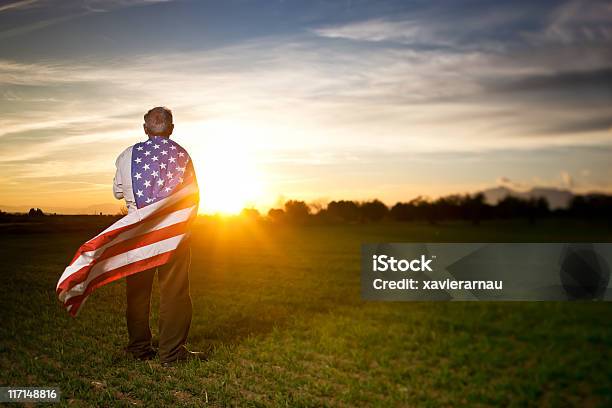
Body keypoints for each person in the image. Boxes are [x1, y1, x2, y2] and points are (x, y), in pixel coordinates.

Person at [112, 107, 207, 367]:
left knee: (138, 293)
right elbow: (193, 196)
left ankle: (139, 348)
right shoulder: (182, 155)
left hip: (136, 234)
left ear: (145, 129)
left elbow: (117, 193)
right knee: (174, 292)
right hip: (172, 234)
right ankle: (171, 353)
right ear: (172, 128)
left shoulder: (126, 155)